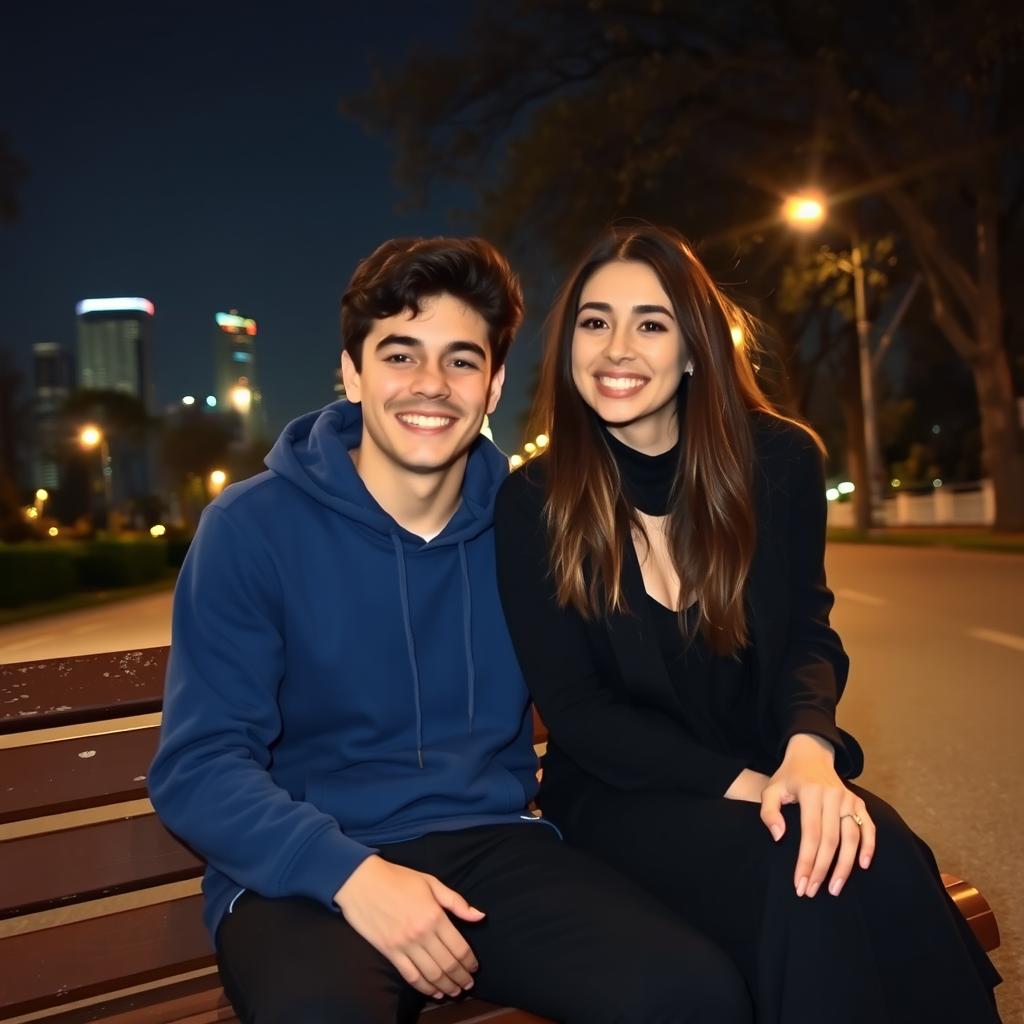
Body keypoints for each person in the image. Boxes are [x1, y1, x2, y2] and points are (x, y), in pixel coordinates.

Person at [149, 235, 753, 1024]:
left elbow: (625, 690)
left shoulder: (532, 523)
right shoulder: (252, 527)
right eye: (399, 356)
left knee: (692, 993)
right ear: (351, 371)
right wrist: (352, 875)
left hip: (496, 850)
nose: (430, 386)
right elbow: (198, 765)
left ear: (494, 383)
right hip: (306, 874)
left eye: (462, 361)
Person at [494, 223, 1003, 1024]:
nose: (617, 347)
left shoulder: (777, 462)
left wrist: (808, 755)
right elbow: (582, 713)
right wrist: (752, 788)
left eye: (651, 323)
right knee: (799, 871)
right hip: (623, 796)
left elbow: (808, 632)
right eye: (595, 322)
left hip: (769, 765)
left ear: (694, 347)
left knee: (885, 855)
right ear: (568, 349)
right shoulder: (535, 501)